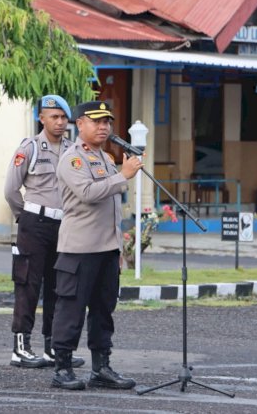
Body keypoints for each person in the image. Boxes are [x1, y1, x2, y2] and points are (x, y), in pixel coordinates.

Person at [49, 101, 143, 391]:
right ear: (80, 124)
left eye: (107, 122)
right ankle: (62, 367)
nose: (104, 127)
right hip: (79, 250)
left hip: (106, 249)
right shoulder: (72, 159)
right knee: (71, 310)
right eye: (97, 121)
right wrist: (123, 176)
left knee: (103, 310)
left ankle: (101, 367)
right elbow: (88, 193)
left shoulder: (104, 158)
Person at [3, 95, 84, 369]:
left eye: (63, 117)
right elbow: (11, 190)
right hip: (34, 224)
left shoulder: (74, 150)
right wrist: (24, 216)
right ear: (42, 118)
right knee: (28, 285)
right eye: (54, 117)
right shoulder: (29, 148)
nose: (60, 122)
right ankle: (21, 348)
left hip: (63, 226)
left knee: (58, 287)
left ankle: (52, 346)